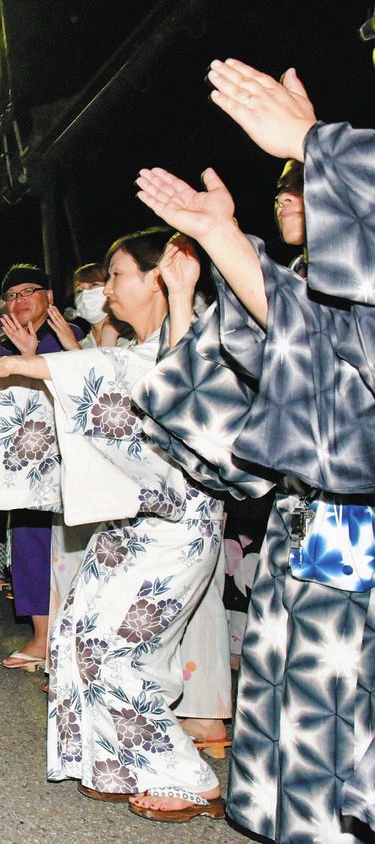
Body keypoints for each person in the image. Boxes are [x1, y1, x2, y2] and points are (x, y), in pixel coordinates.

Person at [0, 229, 228, 822]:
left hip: (177, 523)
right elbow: (73, 381)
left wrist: (3, 365)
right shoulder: (136, 345)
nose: (107, 289)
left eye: (118, 275)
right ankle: (112, 760)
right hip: (129, 522)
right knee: (76, 632)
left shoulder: (198, 340)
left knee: (122, 647)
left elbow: (98, 372)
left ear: (164, 278)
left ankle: (186, 774)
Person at [134, 57, 375, 842]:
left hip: (358, 522)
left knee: (341, 722)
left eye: (303, 182)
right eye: (289, 184)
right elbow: (269, 368)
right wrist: (215, 248)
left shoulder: (332, 287)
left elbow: (325, 340)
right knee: (296, 709)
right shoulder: (309, 279)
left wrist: (315, 143)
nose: (294, 192)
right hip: (313, 523)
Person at [0, 265, 84, 670]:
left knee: (64, 550)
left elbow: (56, 375)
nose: (20, 300)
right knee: (28, 544)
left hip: (65, 460)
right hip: (26, 463)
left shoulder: (67, 333)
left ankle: (62, 640)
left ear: (50, 298)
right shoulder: (6, 341)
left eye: (29, 291)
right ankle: (42, 637)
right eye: (11, 295)